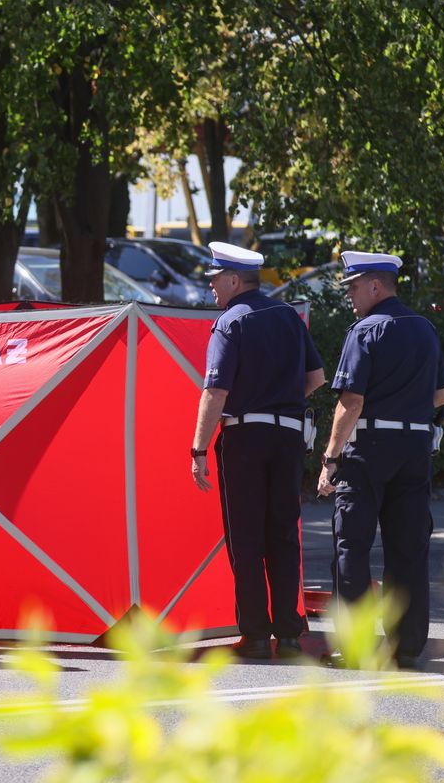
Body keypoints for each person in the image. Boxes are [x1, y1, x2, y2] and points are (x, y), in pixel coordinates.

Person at [190, 242, 325, 660]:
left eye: (215, 279)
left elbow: (215, 391)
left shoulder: (230, 323)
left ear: (234, 280)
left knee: (246, 539)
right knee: (283, 535)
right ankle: (287, 634)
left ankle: (253, 636)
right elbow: (316, 377)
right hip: (288, 436)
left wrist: (198, 448)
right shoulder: (287, 316)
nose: (211, 287)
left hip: (244, 438)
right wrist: (280, 404)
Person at [316, 250, 444, 670]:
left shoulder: (365, 331)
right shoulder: (425, 329)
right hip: (414, 450)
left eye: (354, 287)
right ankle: (406, 647)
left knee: (351, 545)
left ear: (375, 286)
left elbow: (350, 401)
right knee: (408, 549)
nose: (350, 296)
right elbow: (442, 396)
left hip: (368, 451)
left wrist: (330, 458)